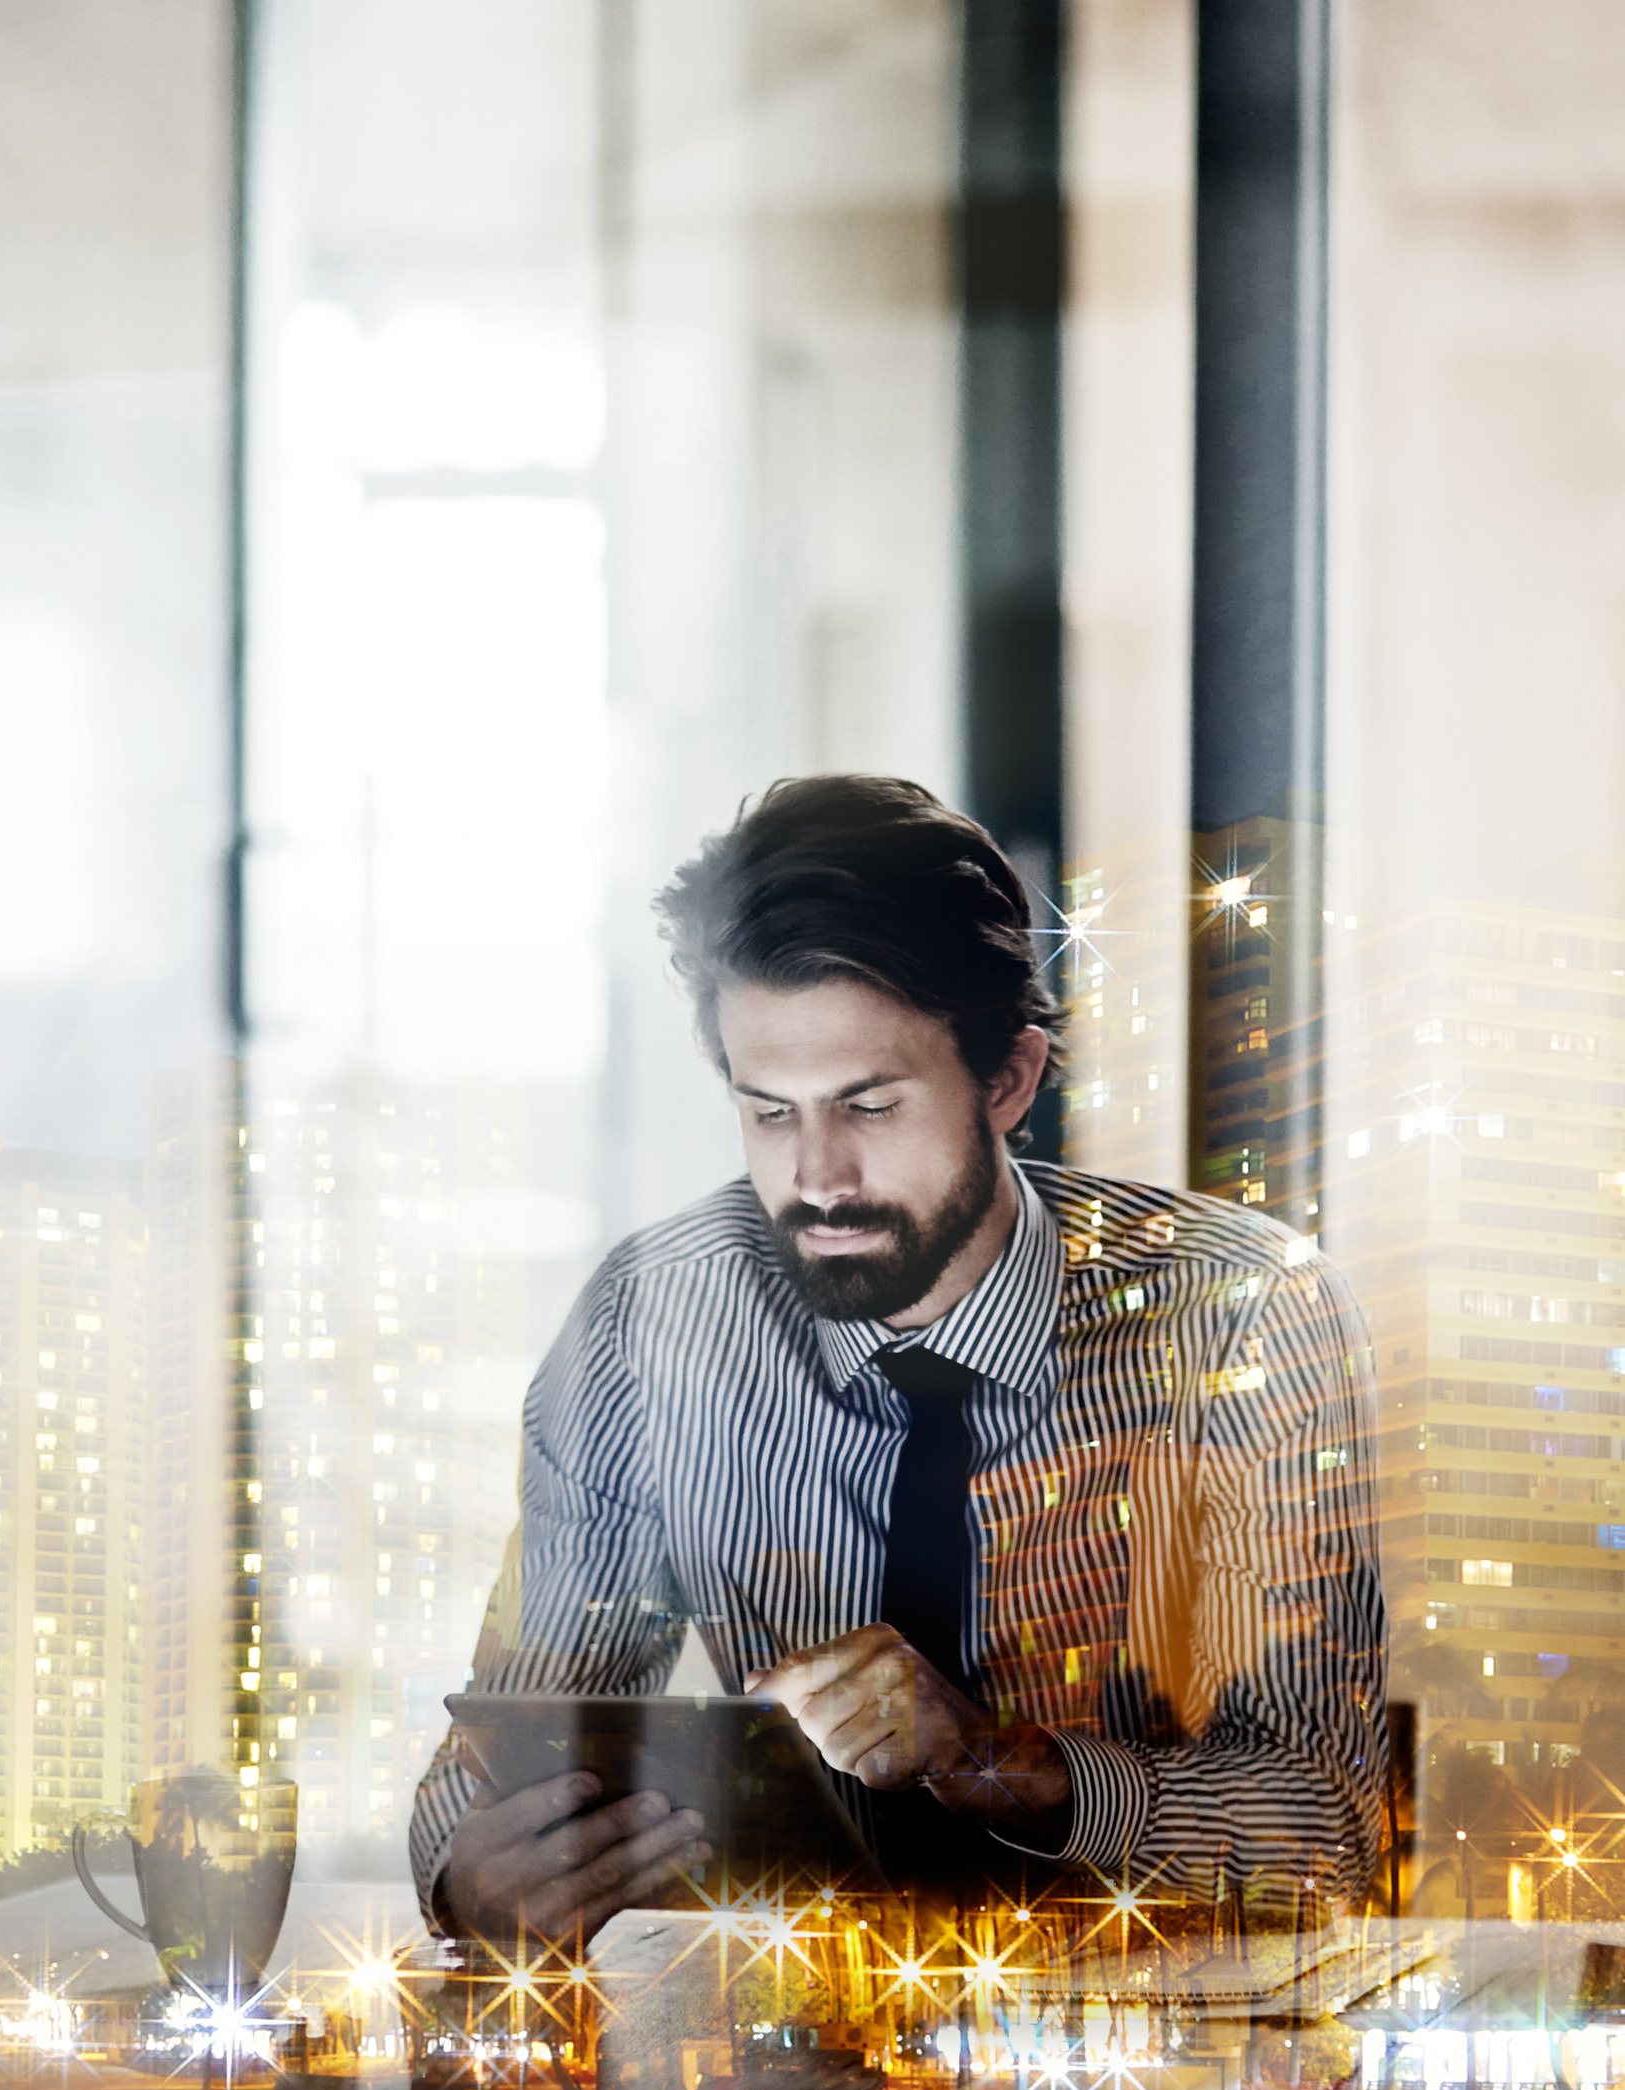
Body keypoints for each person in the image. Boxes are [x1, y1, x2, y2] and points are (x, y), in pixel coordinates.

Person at [409, 775, 1385, 1940]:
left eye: (867, 1105)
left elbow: (1325, 1836)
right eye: (768, 1110)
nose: (815, 1178)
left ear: (1009, 1079)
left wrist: (993, 1758)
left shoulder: (1241, 1313)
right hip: (789, 2061)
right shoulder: (649, 1319)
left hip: (1161, 2059)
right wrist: (467, 1876)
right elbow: (510, 1734)